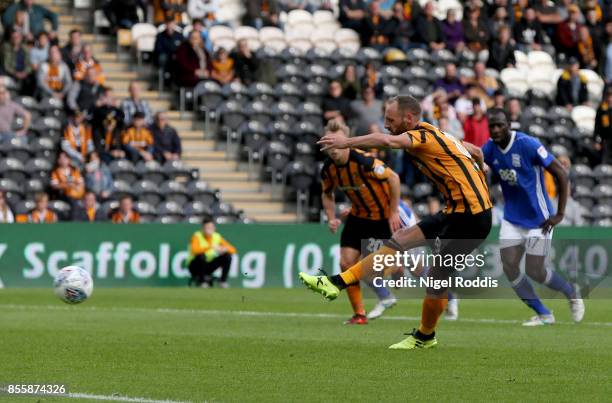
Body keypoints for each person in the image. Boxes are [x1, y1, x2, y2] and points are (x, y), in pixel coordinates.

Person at [304, 95, 492, 349]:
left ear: (409, 119)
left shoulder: (421, 136)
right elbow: (477, 151)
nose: (386, 124)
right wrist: (481, 175)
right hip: (461, 211)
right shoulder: (440, 134)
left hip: (470, 218)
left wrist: (346, 141)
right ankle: (337, 282)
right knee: (404, 242)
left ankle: (425, 336)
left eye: (390, 120)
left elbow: (386, 141)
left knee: (436, 278)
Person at [481, 108, 584, 326]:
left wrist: (560, 213)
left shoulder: (528, 144)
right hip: (512, 217)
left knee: (535, 271)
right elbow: (479, 165)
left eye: (500, 124)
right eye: (492, 126)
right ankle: (543, 313)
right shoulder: (490, 149)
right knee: (509, 266)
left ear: (509, 124)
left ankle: (570, 291)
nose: (496, 129)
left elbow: (561, 174)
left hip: (540, 218)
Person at [320, 119, 402, 324]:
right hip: (357, 218)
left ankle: (400, 267)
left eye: (336, 142)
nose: (333, 148)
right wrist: (331, 218)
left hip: (381, 219)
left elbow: (394, 178)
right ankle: (359, 314)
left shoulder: (364, 161)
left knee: (381, 269)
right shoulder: (328, 169)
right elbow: (327, 193)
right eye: (328, 143)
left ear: (346, 141)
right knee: (346, 264)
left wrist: (393, 212)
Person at [188, 216, 237, 288]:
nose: (209, 230)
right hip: (195, 266)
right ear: (203, 228)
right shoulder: (197, 236)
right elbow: (195, 250)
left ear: (214, 228)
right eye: (207, 228)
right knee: (201, 256)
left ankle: (223, 281)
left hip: (208, 266)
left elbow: (233, 250)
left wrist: (224, 249)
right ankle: (202, 282)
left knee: (227, 256)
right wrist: (210, 247)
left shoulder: (217, 236)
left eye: (210, 227)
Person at [91, 87, 125, 162]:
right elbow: (94, 120)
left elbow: (122, 121)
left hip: (112, 142)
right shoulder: (99, 109)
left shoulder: (117, 110)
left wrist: (119, 108)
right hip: (101, 138)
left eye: (110, 96)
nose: (109, 98)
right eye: (107, 96)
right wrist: (97, 106)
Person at [2, 29, 33, 94]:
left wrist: (25, 72)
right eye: (14, 37)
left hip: (23, 74)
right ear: (11, 38)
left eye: (17, 37)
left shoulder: (25, 49)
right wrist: (15, 73)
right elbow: (6, 66)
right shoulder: (6, 48)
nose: (16, 39)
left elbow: (29, 65)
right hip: (11, 74)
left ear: (21, 38)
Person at [595, 88, 612, 163]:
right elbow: (597, 126)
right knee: (605, 159)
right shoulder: (602, 108)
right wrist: (597, 141)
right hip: (606, 139)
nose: (610, 98)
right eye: (608, 96)